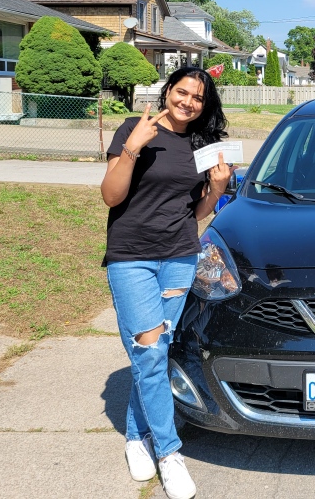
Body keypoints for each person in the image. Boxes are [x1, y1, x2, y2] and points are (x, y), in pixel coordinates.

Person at [100, 67, 233, 499]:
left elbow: (195, 214)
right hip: (132, 258)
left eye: (198, 97)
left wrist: (215, 190)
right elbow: (111, 196)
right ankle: (169, 452)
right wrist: (132, 151)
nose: (188, 102)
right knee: (148, 351)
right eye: (182, 92)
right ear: (168, 91)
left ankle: (136, 435)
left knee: (155, 352)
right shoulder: (133, 129)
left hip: (178, 257)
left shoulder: (201, 144)